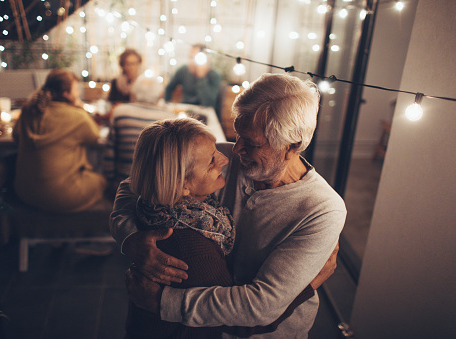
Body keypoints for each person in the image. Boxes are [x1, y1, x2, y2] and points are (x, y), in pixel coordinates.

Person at [111, 73, 346, 338]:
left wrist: (163, 303)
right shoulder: (218, 156)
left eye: (252, 143)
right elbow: (133, 185)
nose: (235, 150)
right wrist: (130, 237)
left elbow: (262, 306)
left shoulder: (323, 209)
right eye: (238, 135)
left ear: (292, 146)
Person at [122, 118, 318, 338]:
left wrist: (126, 236)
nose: (225, 159)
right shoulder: (194, 249)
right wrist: (310, 284)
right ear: (182, 184)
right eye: (211, 161)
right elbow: (241, 322)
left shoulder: (156, 204)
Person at [13, 69, 107, 213]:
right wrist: (80, 107)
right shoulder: (77, 116)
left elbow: (16, 136)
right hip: (60, 195)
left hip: (25, 191)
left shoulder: (28, 110)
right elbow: (94, 136)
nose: (78, 93)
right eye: (76, 89)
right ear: (66, 94)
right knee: (101, 181)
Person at [103, 74, 176, 186]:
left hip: (123, 182)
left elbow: (109, 152)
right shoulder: (170, 118)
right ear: (159, 94)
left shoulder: (119, 112)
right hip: (156, 186)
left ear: (135, 91)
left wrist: (110, 181)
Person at [164, 44, 222, 114]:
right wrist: (168, 106)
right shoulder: (183, 70)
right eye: (190, 57)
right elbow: (169, 88)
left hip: (204, 114)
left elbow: (208, 104)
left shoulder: (215, 75)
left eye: (196, 58)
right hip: (184, 111)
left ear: (207, 59)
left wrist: (201, 77)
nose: (192, 61)